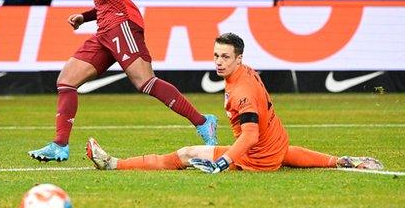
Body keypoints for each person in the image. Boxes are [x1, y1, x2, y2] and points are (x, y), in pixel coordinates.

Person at [28, 0, 218, 162]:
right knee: (66, 81)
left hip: (122, 25)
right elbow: (106, 1)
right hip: (104, 31)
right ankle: (59, 145)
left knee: (145, 82)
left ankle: (203, 122)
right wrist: (84, 17)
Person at [85, 32, 384, 172]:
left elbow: (251, 135)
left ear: (239, 58)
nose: (218, 61)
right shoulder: (244, 74)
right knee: (280, 151)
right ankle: (343, 160)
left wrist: (224, 161)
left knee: (186, 153)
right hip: (275, 146)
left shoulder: (242, 91)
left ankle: (114, 164)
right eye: (216, 55)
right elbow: (270, 143)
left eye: (225, 56)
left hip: (256, 157)